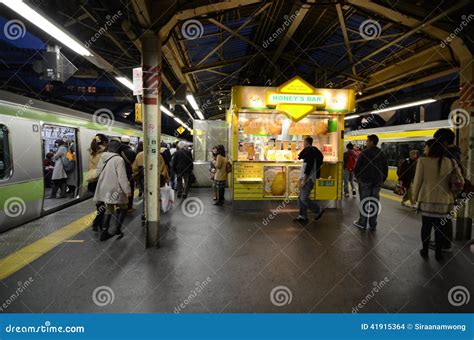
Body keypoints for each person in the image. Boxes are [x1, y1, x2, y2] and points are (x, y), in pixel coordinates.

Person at [412, 139, 463, 261]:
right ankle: (438, 253)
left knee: (426, 226)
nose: (424, 149)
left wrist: (414, 196)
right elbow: (460, 180)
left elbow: (418, 181)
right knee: (440, 228)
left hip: (427, 200)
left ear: (430, 148)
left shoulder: (422, 161)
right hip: (445, 201)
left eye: (426, 147)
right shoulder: (450, 161)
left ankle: (424, 250)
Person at [94, 139, 131, 241]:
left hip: (103, 187)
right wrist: (127, 190)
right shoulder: (119, 159)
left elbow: (97, 173)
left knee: (109, 208)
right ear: (118, 148)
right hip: (115, 188)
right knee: (124, 207)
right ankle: (117, 229)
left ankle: (104, 232)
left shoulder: (103, 157)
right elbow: (122, 177)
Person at [432, 128, 461, 252]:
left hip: (444, 190)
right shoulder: (453, 153)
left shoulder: (449, 155)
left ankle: (444, 244)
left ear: (443, 141)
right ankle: (442, 242)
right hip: (448, 190)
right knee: (444, 217)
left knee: (442, 218)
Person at [353, 134, 388, 230]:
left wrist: (358, 177)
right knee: (374, 202)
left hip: (365, 181)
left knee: (364, 201)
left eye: (367, 141)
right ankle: (373, 224)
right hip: (377, 182)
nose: (366, 142)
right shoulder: (382, 153)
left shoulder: (364, 153)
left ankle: (362, 223)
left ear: (372, 142)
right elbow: (385, 169)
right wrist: (382, 180)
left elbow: (356, 167)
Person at [294, 136, 324, 223]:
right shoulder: (311, 152)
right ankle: (302, 216)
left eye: (304, 143)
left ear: (306, 143)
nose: (303, 145)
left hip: (308, 180)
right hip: (306, 179)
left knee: (303, 198)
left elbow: (309, 168)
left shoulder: (310, 152)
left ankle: (317, 209)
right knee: (300, 198)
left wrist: (304, 180)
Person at [87, 134, 108, 231]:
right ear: (104, 142)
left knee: (100, 204)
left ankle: (98, 223)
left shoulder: (91, 152)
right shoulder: (104, 154)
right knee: (103, 204)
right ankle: (97, 223)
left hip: (92, 181)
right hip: (101, 180)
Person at [120, 135, 137, 210]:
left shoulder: (117, 151)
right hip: (129, 175)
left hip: (119, 174)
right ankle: (129, 207)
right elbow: (135, 164)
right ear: (129, 142)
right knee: (130, 190)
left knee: (121, 190)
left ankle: (120, 206)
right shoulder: (132, 152)